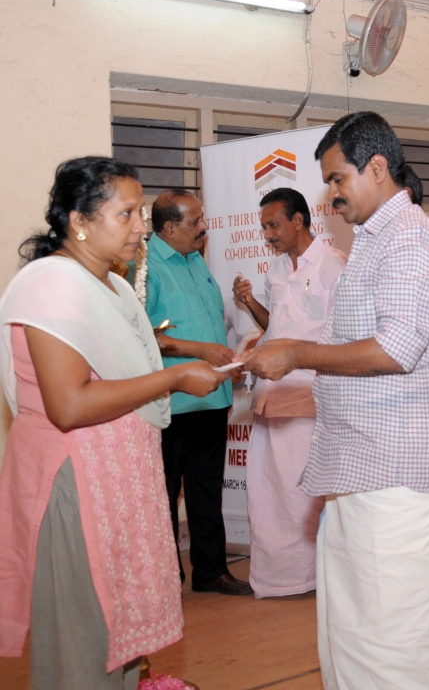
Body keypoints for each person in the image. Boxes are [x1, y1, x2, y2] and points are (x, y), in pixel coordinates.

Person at [240, 112, 429, 689]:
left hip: (396, 471)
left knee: (402, 635)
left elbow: (397, 348)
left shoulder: (412, 240)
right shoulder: (374, 239)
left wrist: (298, 353)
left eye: (338, 179)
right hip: (362, 464)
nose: (332, 195)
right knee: (357, 629)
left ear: (377, 167)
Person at [0, 157, 228, 688]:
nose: (141, 227)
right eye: (126, 214)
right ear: (80, 220)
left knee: (118, 637)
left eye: (141, 213)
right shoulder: (52, 284)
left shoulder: (113, 286)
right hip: (77, 481)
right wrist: (174, 378)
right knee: (84, 643)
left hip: (118, 481)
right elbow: (69, 405)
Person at [231, 187, 346, 598]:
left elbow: (341, 337)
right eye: (264, 227)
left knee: (305, 494)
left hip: (310, 400)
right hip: (271, 398)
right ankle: (278, 578)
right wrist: (249, 303)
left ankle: (315, 576)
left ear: (299, 221)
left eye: (274, 225)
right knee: (269, 492)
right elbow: (276, 327)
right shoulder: (276, 269)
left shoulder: (334, 265)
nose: (268, 234)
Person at [141, 190, 251, 595]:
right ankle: (167, 579)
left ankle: (211, 570)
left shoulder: (196, 259)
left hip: (212, 398)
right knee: (165, 494)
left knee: (207, 490)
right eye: (196, 221)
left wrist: (226, 364)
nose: (205, 227)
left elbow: (208, 321)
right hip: (172, 402)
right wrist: (201, 351)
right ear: (169, 228)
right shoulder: (145, 267)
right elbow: (144, 336)